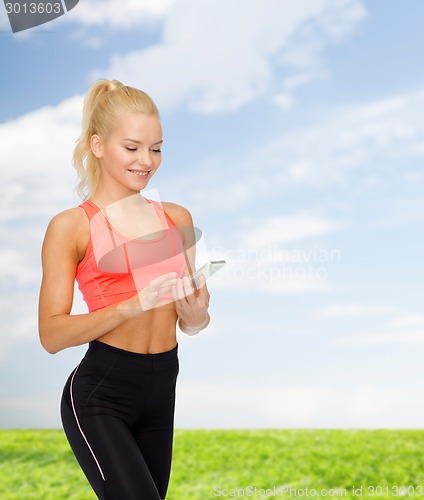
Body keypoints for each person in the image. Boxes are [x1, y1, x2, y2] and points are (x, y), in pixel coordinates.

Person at [38, 79, 211, 500]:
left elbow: (196, 320)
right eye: (132, 148)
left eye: (156, 148)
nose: (146, 160)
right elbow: (51, 335)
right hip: (103, 392)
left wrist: (195, 315)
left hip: (162, 384)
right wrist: (132, 305)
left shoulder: (177, 216)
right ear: (98, 146)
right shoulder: (71, 226)